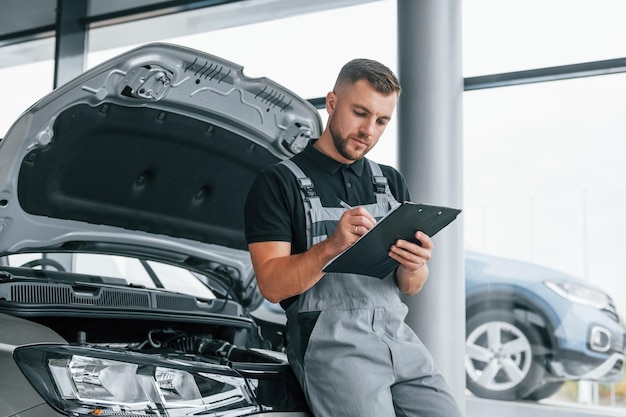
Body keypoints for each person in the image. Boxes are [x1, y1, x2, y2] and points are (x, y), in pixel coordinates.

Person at [244, 58, 462, 417]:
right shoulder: (278, 183)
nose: (369, 131)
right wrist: (331, 247)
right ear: (331, 103)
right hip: (333, 347)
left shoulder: (389, 182)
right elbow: (272, 285)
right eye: (360, 113)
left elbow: (410, 286)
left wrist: (415, 265)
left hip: (397, 337)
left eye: (381, 121)